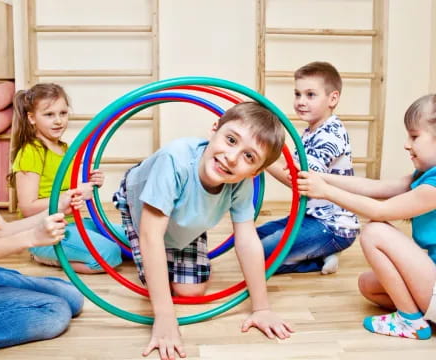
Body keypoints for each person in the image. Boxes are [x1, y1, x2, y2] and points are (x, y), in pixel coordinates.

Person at [113, 101, 293, 359]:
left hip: (185, 215)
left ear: (256, 172)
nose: (232, 157)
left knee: (191, 291)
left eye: (248, 156)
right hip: (141, 202)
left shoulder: (240, 183)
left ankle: (181, 228)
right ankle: (122, 237)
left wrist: (261, 307)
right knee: (152, 246)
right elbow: (151, 237)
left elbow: (247, 239)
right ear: (214, 129)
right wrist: (165, 317)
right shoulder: (174, 160)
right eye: (231, 140)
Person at [297, 94, 436, 340]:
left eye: (414, 136)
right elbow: (374, 187)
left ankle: (410, 321)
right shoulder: (423, 176)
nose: (406, 144)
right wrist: (319, 176)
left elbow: (379, 210)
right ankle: (418, 316)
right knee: (368, 286)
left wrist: (326, 191)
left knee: (375, 230)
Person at [0, 92, 85, 355]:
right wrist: (31, 238)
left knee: (71, 297)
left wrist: (60, 206)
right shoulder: (31, 152)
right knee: (53, 312)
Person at [257, 61, 359, 275]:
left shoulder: (330, 135)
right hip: (309, 216)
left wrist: (260, 159)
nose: (301, 101)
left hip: (333, 226)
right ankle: (318, 251)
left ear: (333, 98)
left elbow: (298, 179)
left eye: (310, 95)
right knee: (251, 241)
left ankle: (321, 257)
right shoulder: (311, 131)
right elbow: (288, 166)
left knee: (259, 256)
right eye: (297, 94)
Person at [10, 83, 122, 274]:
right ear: (31, 118)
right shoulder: (31, 152)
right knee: (109, 254)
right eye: (49, 115)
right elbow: (27, 207)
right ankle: (44, 255)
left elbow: (66, 191)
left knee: (129, 234)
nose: (58, 121)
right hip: (46, 230)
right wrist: (74, 193)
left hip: (73, 221)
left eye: (63, 113)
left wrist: (90, 185)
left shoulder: (65, 149)